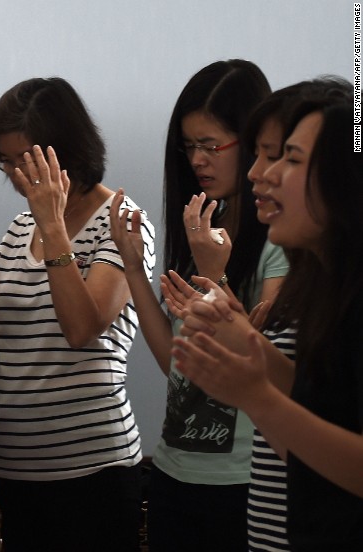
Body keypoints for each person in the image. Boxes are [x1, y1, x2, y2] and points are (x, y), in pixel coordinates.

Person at [0, 77, 153, 551]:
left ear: (64, 151)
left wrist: (53, 227)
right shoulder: (20, 227)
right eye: (5, 161)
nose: (14, 175)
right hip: (9, 469)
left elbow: (82, 328)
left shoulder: (123, 221)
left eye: (24, 161)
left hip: (93, 470)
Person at [170, 89, 363, 549]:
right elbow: (302, 443)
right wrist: (244, 344)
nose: (261, 174)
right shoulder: (321, 287)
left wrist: (257, 395)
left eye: (286, 157)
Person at [110, 59, 275, 552]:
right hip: (175, 472)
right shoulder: (204, 230)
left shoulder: (280, 245)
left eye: (211, 145)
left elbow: (266, 368)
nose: (197, 160)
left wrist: (218, 276)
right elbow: (176, 367)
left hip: (244, 480)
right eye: (189, 147)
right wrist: (134, 268)